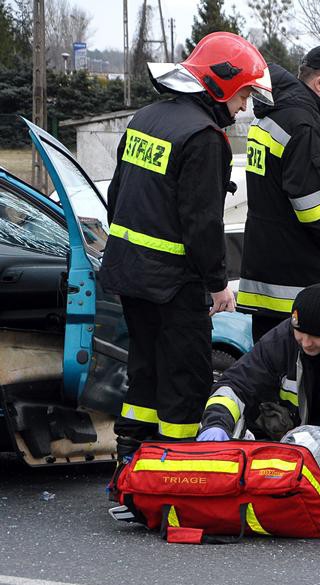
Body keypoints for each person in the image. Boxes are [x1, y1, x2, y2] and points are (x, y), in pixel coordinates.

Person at [99, 33, 272, 463]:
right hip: (175, 285)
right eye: (244, 94)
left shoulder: (145, 118)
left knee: (144, 371)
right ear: (221, 84)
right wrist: (218, 285)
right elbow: (202, 226)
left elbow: (117, 197)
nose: (245, 106)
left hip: (130, 274)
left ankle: (130, 464)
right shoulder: (205, 137)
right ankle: (174, 473)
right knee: (185, 378)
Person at [238, 45, 320, 343]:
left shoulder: (270, 116)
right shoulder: (304, 126)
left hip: (268, 282)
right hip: (304, 286)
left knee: (271, 377)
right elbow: (317, 212)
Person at [197, 284, 320, 456]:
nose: (306, 343)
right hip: (298, 444)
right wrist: (216, 424)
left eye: (315, 336)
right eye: (300, 333)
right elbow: (236, 385)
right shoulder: (280, 340)